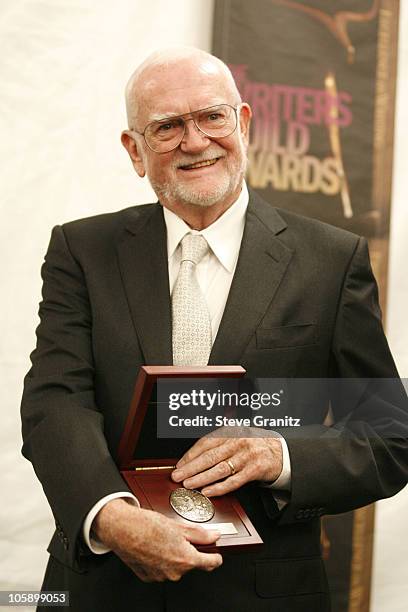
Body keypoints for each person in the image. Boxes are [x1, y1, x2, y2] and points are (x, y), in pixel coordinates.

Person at [21, 47, 408, 612]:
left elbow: (388, 435)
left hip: (265, 591)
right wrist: (108, 516)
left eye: (211, 117)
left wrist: (280, 455)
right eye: (167, 126)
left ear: (243, 123)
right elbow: (55, 402)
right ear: (134, 150)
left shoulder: (331, 259)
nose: (196, 141)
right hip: (104, 586)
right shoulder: (82, 251)